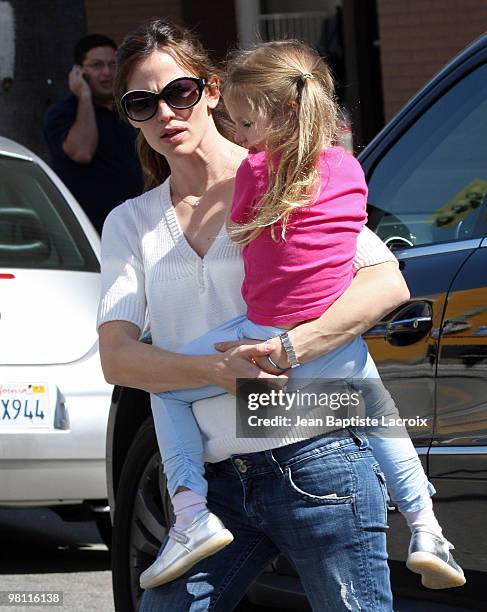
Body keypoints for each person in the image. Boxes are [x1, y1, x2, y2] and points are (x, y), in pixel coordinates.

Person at [115, 37, 465, 593]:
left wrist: (287, 350)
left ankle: (427, 529)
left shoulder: (287, 177)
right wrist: (216, 373)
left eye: (179, 92)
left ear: (212, 93)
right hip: (220, 477)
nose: (164, 113)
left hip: (316, 455)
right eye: (141, 103)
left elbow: (386, 281)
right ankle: (426, 526)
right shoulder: (132, 221)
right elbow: (118, 357)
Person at [43, 34, 143, 233]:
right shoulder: (63, 113)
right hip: (86, 230)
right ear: (79, 71)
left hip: (136, 222)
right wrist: (85, 97)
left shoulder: (130, 109)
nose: (106, 73)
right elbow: (82, 152)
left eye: (113, 65)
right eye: (97, 66)